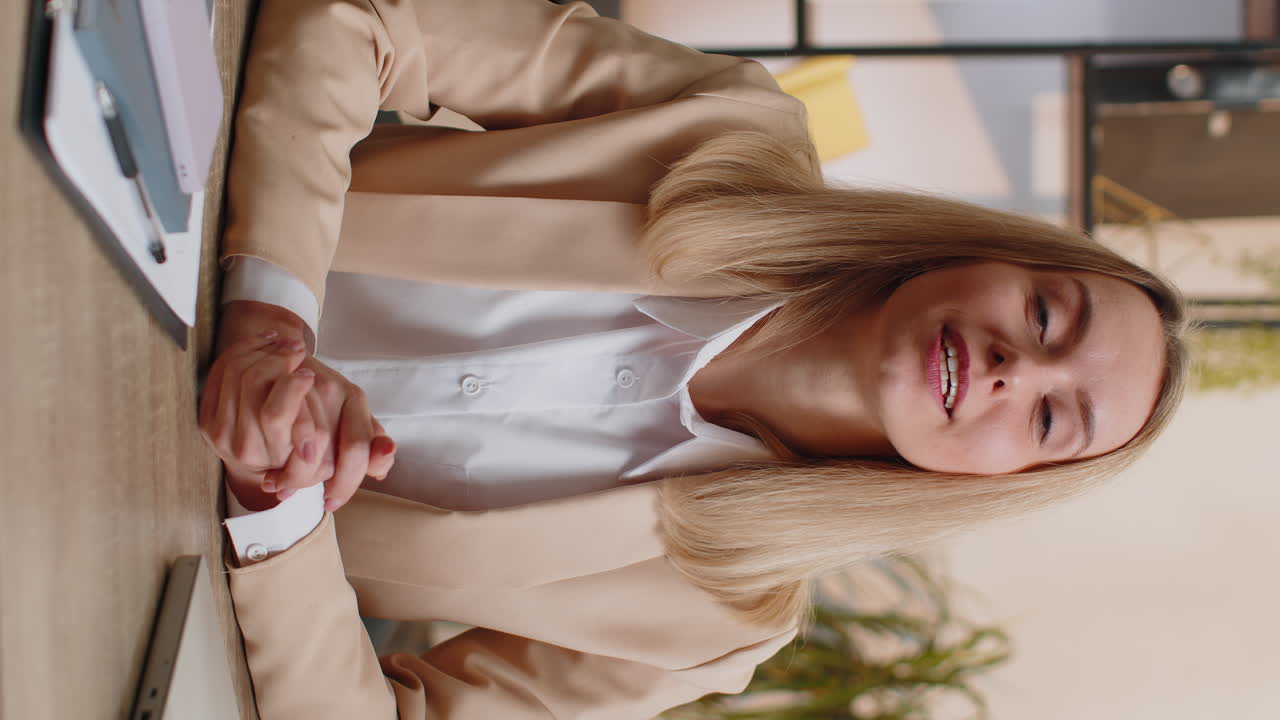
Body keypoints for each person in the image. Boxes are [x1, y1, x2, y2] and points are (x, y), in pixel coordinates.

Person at [198, 0, 1190, 717]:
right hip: (138, 230)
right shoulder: (723, 129)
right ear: (992, 254)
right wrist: (267, 312)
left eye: (1050, 421)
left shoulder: (713, 626)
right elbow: (371, 17)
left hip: (139, 525)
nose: (1017, 368)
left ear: (999, 483)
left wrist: (276, 504)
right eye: (1045, 313)